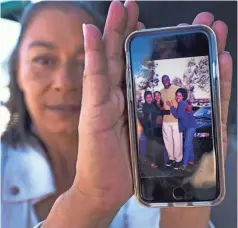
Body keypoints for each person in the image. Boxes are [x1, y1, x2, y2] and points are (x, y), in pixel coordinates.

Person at [1, 1, 232, 228]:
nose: (64, 83)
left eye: (85, 62)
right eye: (44, 60)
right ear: (17, 71)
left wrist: (189, 204)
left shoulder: (143, 167)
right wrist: (89, 203)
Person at [166, 88, 197, 170]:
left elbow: (177, 115)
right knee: (189, 144)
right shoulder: (183, 103)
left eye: (180, 95)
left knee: (187, 144)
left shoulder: (182, 103)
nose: (177, 97)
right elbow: (183, 113)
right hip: (188, 126)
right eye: (177, 95)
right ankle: (191, 160)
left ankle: (184, 164)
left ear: (183, 96)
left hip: (190, 126)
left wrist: (171, 106)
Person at [160, 75, 182, 170]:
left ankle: (178, 160)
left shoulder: (177, 89)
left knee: (177, 141)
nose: (165, 81)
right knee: (168, 141)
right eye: (163, 80)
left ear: (169, 80)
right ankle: (171, 158)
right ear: (162, 81)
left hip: (176, 120)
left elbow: (182, 99)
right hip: (165, 121)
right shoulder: (161, 92)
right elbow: (161, 105)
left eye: (167, 79)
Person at [142, 91, 161, 168]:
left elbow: (157, 112)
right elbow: (151, 112)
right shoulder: (145, 106)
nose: (149, 99)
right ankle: (151, 162)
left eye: (150, 97)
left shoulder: (152, 105)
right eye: (147, 97)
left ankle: (148, 160)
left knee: (151, 145)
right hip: (148, 128)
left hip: (153, 127)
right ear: (145, 98)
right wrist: (155, 111)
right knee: (151, 145)